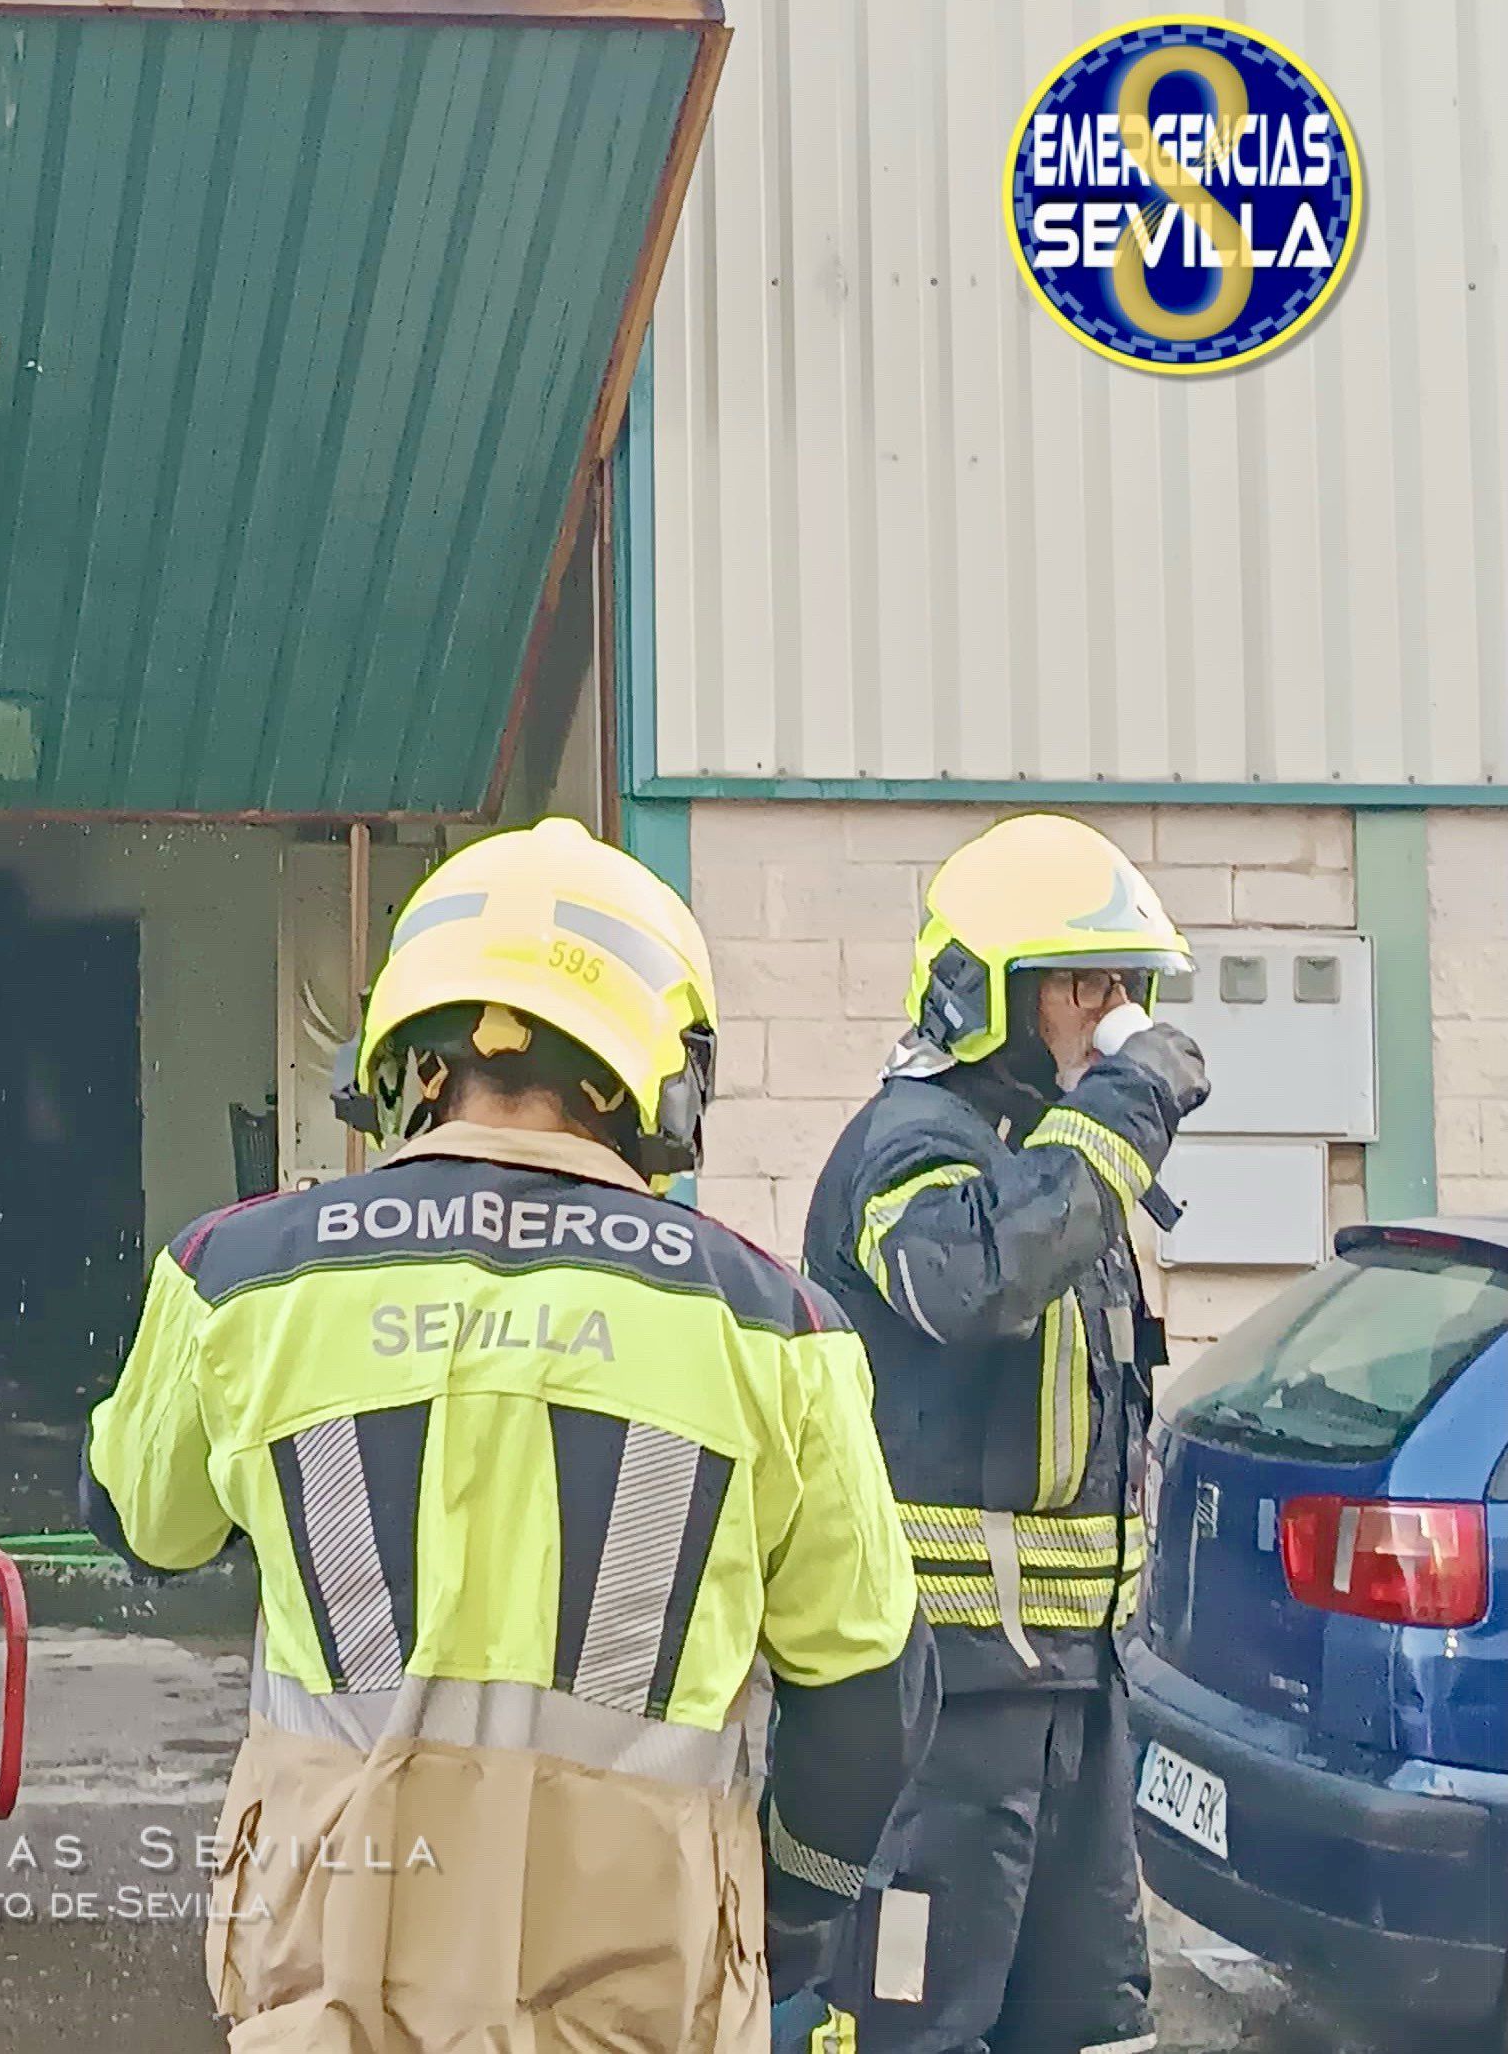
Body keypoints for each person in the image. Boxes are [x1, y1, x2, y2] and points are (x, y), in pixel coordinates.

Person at [85, 818, 935, 2054]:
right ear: (660, 1070)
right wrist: (790, 1909)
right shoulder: (772, 1326)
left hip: (334, 1990)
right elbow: (868, 1698)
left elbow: (147, 1526)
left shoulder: (237, 1275)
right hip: (640, 1994)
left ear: (407, 1054)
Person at [800, 815, 1210, 2054]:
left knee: (1091, 2023)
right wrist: (1129, 1105)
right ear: (989, 993)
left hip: (1075, 1699)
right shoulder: (907, 1149)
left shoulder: (1058, 1159)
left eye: (1124, 985)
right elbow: (971, 1285)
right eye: (1078, 983)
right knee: (911, 2024)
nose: (1110, 1011)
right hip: (943, 1708)